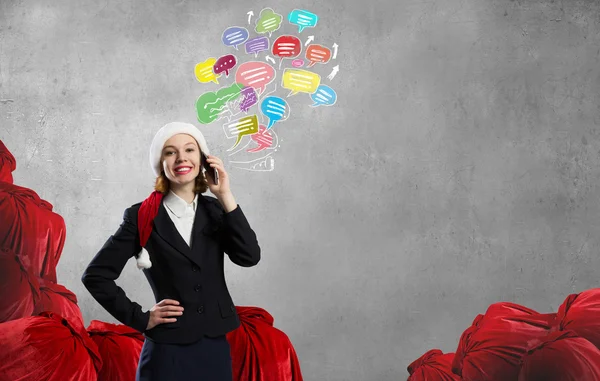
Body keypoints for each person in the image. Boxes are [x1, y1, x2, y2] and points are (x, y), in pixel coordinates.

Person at [81, 121, 261, 380]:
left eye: (190, 150)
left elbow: (249, 257)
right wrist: (141, 318)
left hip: (214, 346)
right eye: (170, 152)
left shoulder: (217, 210)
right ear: (161, 163)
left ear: (203, 159)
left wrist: (225, 195)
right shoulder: (141, 216)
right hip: (167, 351)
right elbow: (95, 276)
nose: (181, 158)